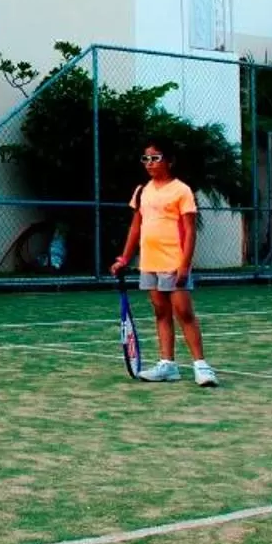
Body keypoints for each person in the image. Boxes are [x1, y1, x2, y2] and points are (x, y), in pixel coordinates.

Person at [109, 141, 219, 387]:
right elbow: (136, 227)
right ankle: (167, 365)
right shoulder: (142, 191)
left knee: (184, 313)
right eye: (146, 159)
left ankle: (202, 366)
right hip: (149, 262)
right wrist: (124, 258)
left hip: (174, 261)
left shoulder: (182, 190)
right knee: (161, 312)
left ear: (169, 161)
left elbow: (190, 231)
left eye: (155, 158)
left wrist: (185, 265)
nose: (149, 163)